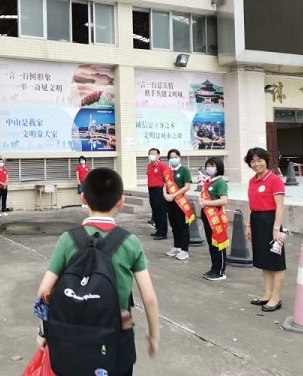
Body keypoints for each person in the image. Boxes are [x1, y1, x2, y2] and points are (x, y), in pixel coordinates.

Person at [36, 168, 159, 375]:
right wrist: (154, 336)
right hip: (116, 340)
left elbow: (44, 291)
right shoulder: (130, 242)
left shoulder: (68, 239)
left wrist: (43, 332)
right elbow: (149, 298)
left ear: (83, 198)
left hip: (70, 339)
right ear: (121, 202)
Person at [244, 147, 286, 312]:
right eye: (252, 161)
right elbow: (251, 205)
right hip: (257, 221)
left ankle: (276, 298)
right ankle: (267, 294)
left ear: (266, 161)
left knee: (276, 262)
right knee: (264, 260)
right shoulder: (252, 181)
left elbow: (280, 207)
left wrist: (276, 229)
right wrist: (248, 226)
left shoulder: (274, 180)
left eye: (259, 160)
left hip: (271, 221)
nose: (256, 164)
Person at [198, 157, 229, 281]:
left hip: (216, 217)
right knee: (211, 244)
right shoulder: (208, 181)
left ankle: (220, 271)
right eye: (208, 165)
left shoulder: (220, 182)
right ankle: (214, 268)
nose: (209, 168)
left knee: (218, 243)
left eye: (212, 165)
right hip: (207, 216)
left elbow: (224, 200)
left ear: (218, 167)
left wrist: (207, 203)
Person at [163, 149, 194, 260]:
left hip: (180, 202)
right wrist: (165, 194)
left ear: (179, 157)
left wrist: (174, 195)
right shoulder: (167, 172)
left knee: (183, 226)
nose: (174, 159)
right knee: (174, 225)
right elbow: (165, 184)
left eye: (176, 157)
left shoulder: (184, 170)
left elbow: (187, 186)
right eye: (171, 157)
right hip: (170, 201)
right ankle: (177, 246)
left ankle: (184, 250)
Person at [146, 148, 168, 240]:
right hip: (151, 190)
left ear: (158, 155)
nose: (152, 156)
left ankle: (163, 232)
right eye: (150, 154)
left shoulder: (162, 165)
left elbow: (167, 179)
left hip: (159, 190)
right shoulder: (149, 165)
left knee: (161, 211)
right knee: (155, 211)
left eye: (154, 154)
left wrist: (165, 191)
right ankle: (158, 230)